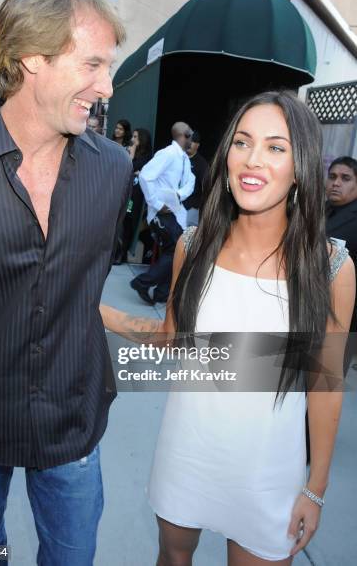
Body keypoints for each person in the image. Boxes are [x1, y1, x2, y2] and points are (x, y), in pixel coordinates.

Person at [101, 91, 355, 565]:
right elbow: (173, 340)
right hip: (188, 449)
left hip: (269, 471)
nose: (253, 159)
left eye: (276, 147)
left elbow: (326, 386)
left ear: (301, 166)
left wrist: (315, 489)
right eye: (242, 142)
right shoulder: (192, 246)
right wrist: (96, 311)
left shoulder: (332, 267)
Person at [0, 0, 131, 565]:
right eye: (93, 64)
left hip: (72, 427)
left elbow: (79, 288)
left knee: (72, 558)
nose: (107, 86)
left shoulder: (112, 170)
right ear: (31, 58)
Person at [130, 122, 195, 304]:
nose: (193, 138)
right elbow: (145, 176)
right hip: (162, 213)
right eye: (190, 134)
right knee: (175, 250)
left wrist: (177, 195)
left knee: (177, 252)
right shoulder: (168, 154)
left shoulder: (184, 158)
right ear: (184, 135)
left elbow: (191, 182)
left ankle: (162, 293)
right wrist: (157, 204)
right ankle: (143, 282)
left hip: (175, 213)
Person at [326, 156, 357, 364]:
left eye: (345, 178)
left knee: (328, 372)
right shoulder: (317, 208)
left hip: (346, 314)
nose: (336, 183)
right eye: (332, 177)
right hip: (310, 307)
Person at [120, 128, 153, 262]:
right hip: (125, 193)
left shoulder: (146, 158)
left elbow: (130, 168)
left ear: (142, 140)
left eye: (135, 137)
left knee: (128, 222)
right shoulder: (131, 153)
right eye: (132, 136)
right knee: (122, 223)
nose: (132, 140)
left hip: (134, 198)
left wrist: (132, 156)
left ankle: (121, 255)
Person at [183, 130, 209, 226]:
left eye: (193, 141)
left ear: (197, 145)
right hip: (173, 204)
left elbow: (207, 187)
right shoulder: (177, 156)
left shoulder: (201, 164)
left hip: (191, 208)